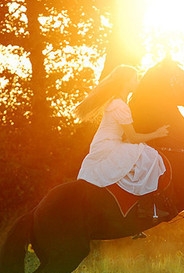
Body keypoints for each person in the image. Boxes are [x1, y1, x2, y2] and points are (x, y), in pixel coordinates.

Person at [75, 65, 177, 221]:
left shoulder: (119, 102)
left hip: (108, 142)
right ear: (126, 82)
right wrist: (157, 134)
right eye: (134, 79)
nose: (137, 82)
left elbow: (128, 137)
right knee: (150, 156)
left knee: (140, 156)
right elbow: (133, 138)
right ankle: (145, 207)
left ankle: (139, 206)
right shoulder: (119, 105)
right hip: (108, 145)